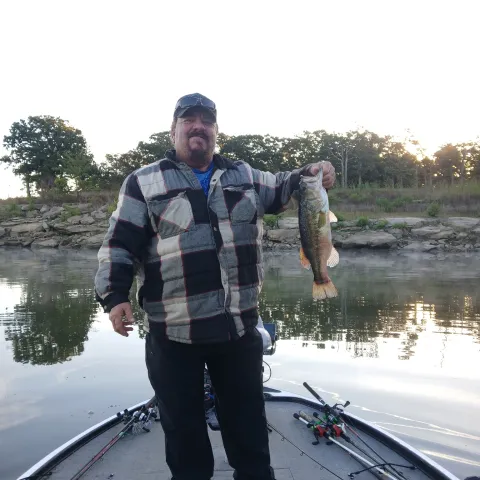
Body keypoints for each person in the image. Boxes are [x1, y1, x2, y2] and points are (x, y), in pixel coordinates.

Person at [94, 93, 336, 480]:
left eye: (206, 121)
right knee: (184, 440)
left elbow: (287, 185)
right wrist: (114, 296)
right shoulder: (143, 182)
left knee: (250, 435)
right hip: (173, 334)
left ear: (215, 131)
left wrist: (316, 170)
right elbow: (119, 244)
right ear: (173, 130)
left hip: (238, 328)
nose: (198, 126)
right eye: (188, 120)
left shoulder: (245, 176)